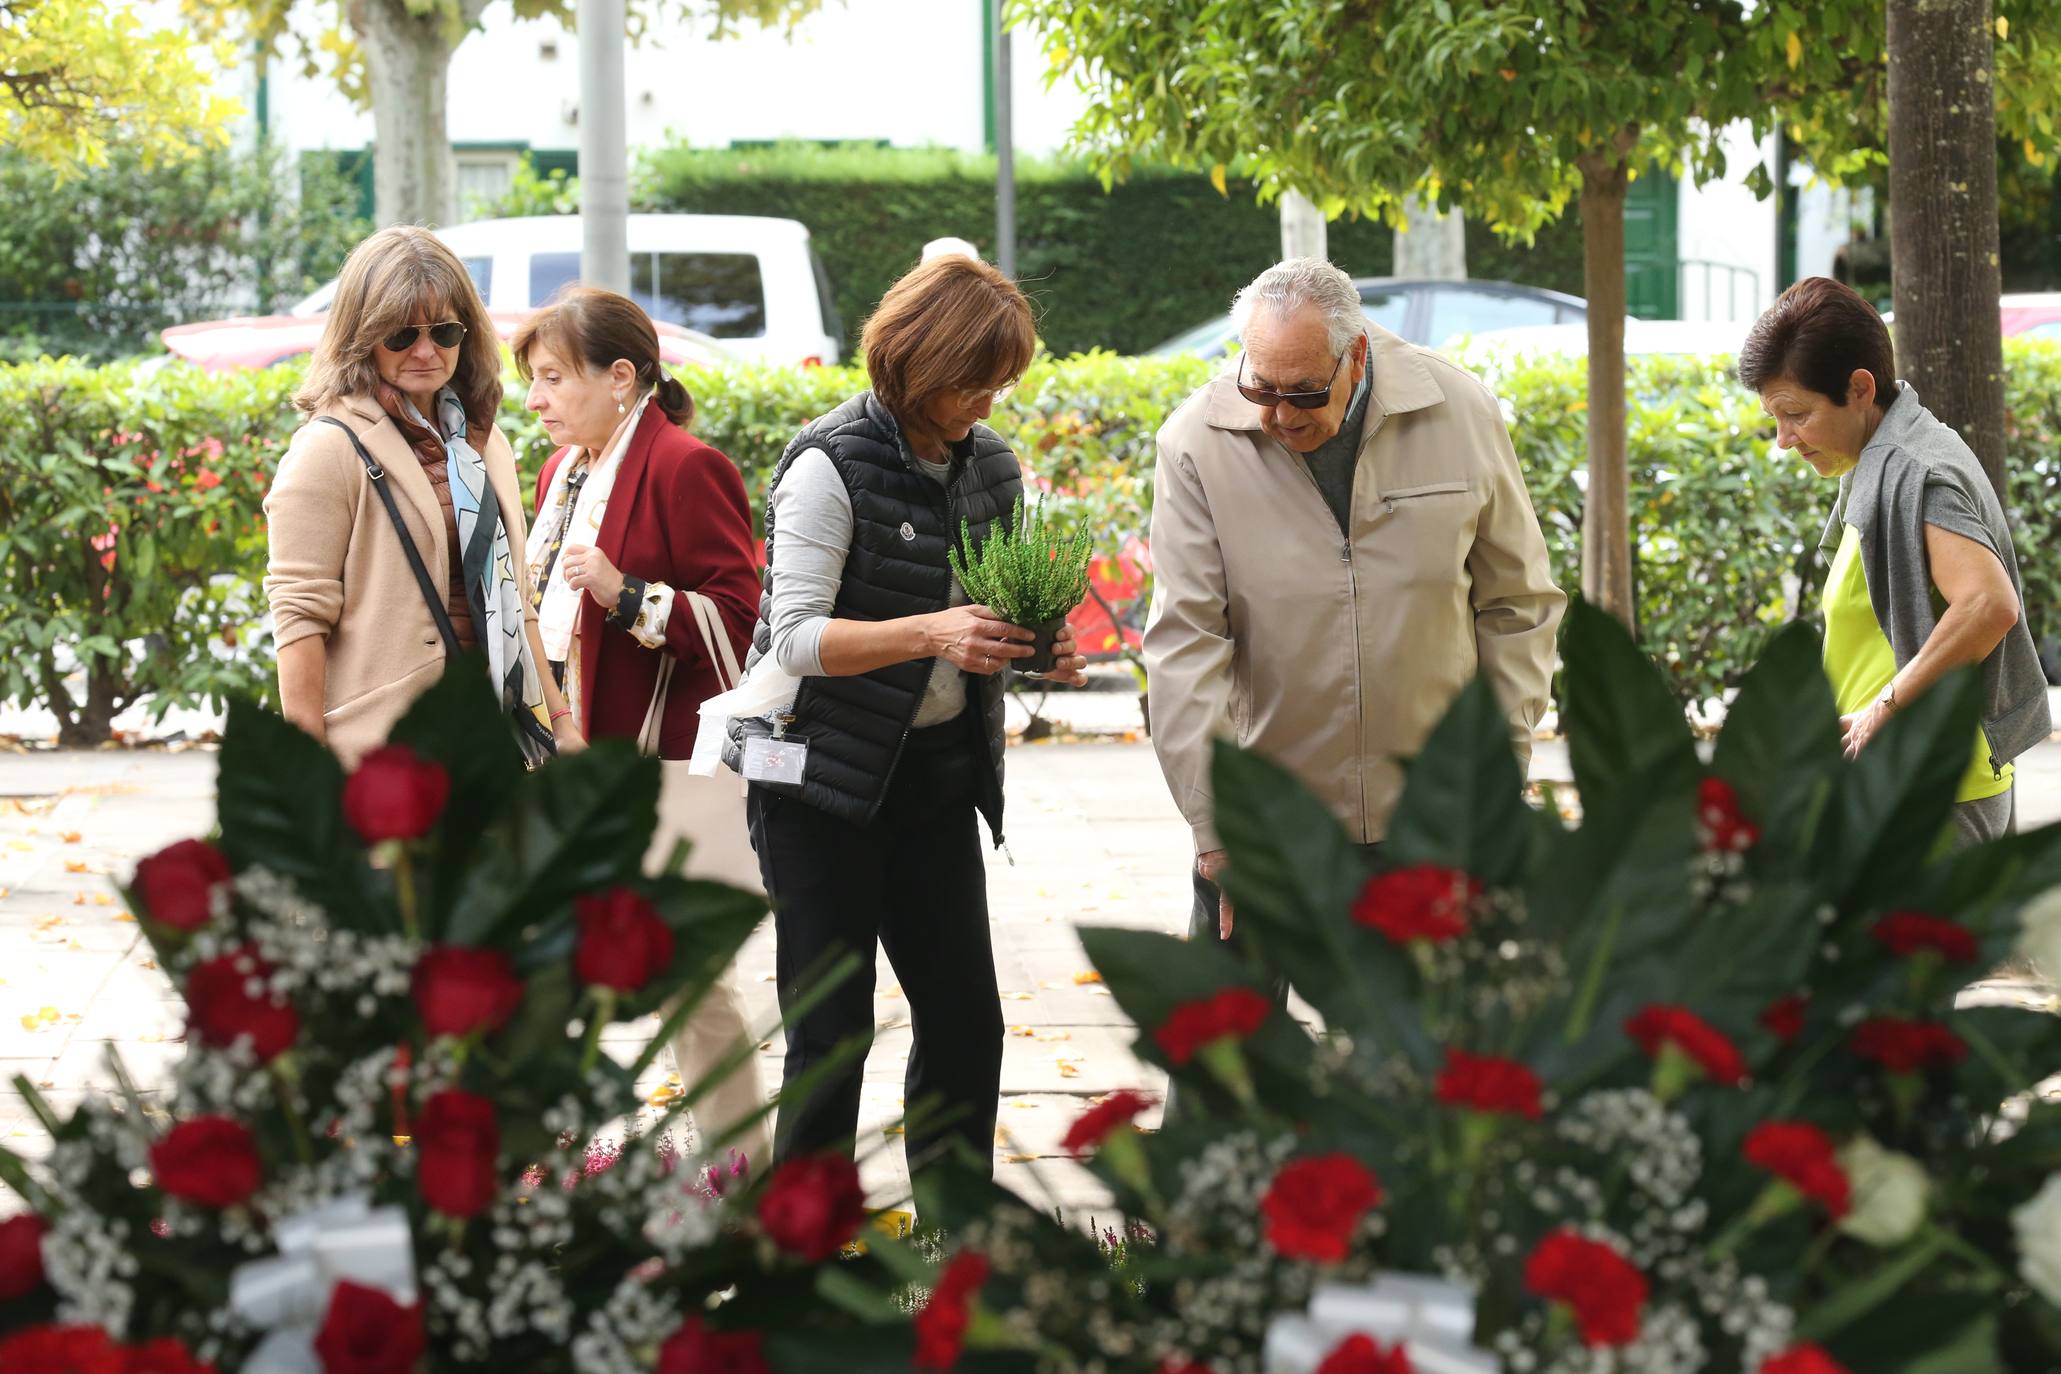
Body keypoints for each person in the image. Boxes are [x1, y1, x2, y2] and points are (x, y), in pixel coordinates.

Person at [739, 254, 1088, 1182]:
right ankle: (801, 1262)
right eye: (972, 376)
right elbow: (795, 642)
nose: (988, 396)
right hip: (818, 787)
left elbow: (992, 620)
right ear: (914, 358)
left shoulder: (991, 465)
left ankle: (958, 1238)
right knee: (832, 1031)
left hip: (934, 781)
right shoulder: (828, 462)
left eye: (1002, 378)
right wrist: (931, 630)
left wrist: (1037, 649)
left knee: (965, 1019)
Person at [1145, 257, 1564, 955]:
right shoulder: (1195, 442)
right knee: (1226, 1057)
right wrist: (1217, 829)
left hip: (1432, 811)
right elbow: (1185, 645)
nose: (1278, 414)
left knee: (1428, 1053)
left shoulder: (1458, 411)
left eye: (1304, 393)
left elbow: (1516, 605)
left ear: (1356, 355)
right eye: (1260, 385)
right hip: (1269, 818)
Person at [514, 286, 770, 1170]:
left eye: (552, 379)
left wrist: (626, 595)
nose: (535, 399)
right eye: (533, 381)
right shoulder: (561, 473)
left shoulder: (687, 467)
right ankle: (552, 1161)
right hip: (560, 762)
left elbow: (741, 622)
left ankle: (740, 1175)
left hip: (653, 766)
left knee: (687, 980)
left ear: (622, 377)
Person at [1738, 276, 2050, 846]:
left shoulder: (1917, 468)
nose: (1783, 438)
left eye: (1796, 414)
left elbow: (1987, 604)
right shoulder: (1878, 459)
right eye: (1775, 418)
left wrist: (1885, 707)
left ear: (1860, 388)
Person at [267, 226, 578, 768]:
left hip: (490, 740)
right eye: (401, 335)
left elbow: (516, 599)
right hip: (382, 749)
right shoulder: (329, 448)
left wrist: (563, 725)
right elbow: (299, 617)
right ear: (363, 337)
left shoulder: (483, 442)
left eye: (444, 331)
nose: (426, 351)